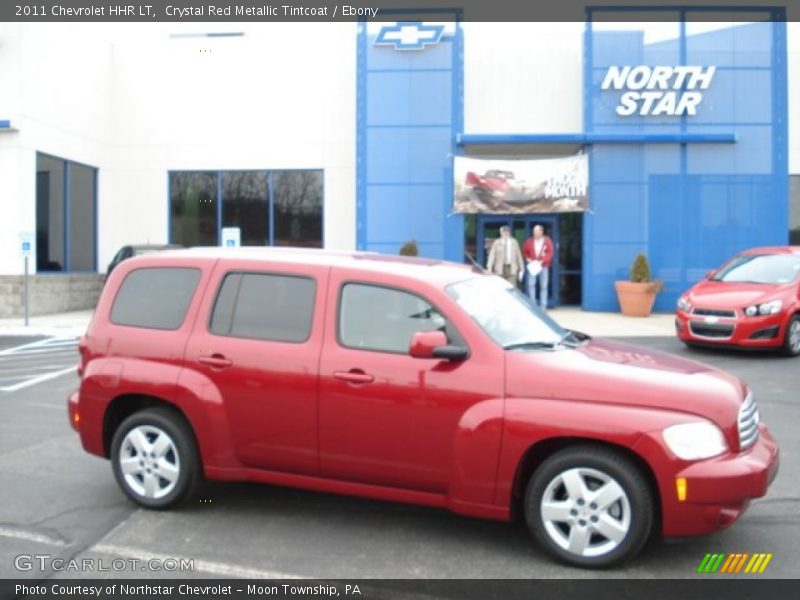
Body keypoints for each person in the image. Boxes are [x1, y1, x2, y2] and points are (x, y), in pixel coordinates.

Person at [523, 224, 554, 309]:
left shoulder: (547, 241)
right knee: (531, 284)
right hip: (533, 266)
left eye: (536, 231)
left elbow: (550, 253)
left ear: (541, 232)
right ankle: (533, 305)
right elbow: (525, 251)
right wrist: (528, 259)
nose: (534, 233)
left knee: (543, 286)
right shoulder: (529, 241)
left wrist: (542, 261)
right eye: (534, 231)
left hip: (543, 266)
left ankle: (543, 306)